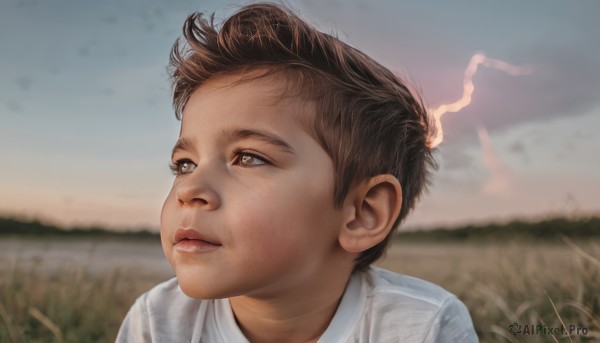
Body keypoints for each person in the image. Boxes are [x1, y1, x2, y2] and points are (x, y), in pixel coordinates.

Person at [117, 2, 477, 342]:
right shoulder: (158, 322)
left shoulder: (421, 326)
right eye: (185, 164)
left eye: (249, 158)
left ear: (363, 213)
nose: (189, 188)